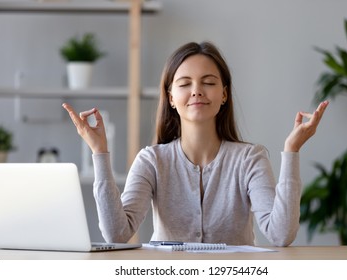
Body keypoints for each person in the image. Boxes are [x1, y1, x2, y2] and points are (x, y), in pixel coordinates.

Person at [62, 41, 328, 247]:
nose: (196, 91)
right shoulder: (152, 160)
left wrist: (292, 151)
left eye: (209, 82)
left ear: (224, 94)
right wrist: (100, 152)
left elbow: (281, 235)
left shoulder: (250, 158)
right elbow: (117, 234)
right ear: (171, 98)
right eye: (185, 83)